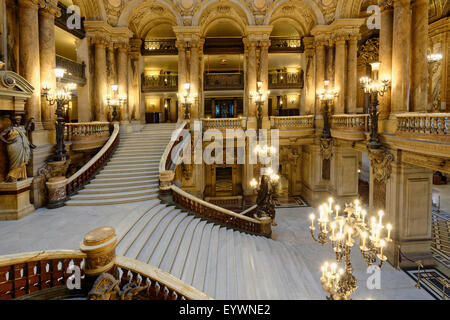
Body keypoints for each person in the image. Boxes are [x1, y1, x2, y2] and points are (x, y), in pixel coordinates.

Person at [0, 116, 35, 182]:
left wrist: (31, 121)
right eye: (16, 120)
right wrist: (8, 141)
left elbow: (29, 130)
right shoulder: (10, 128)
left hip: (22, 147)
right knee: (14, 163)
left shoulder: (22, 127)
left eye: (19, 120)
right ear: (13, 120)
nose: (17, 121)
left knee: (22, 161)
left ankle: (20, 175)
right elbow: (1, 136)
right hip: (13, 147)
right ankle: (11, 176)